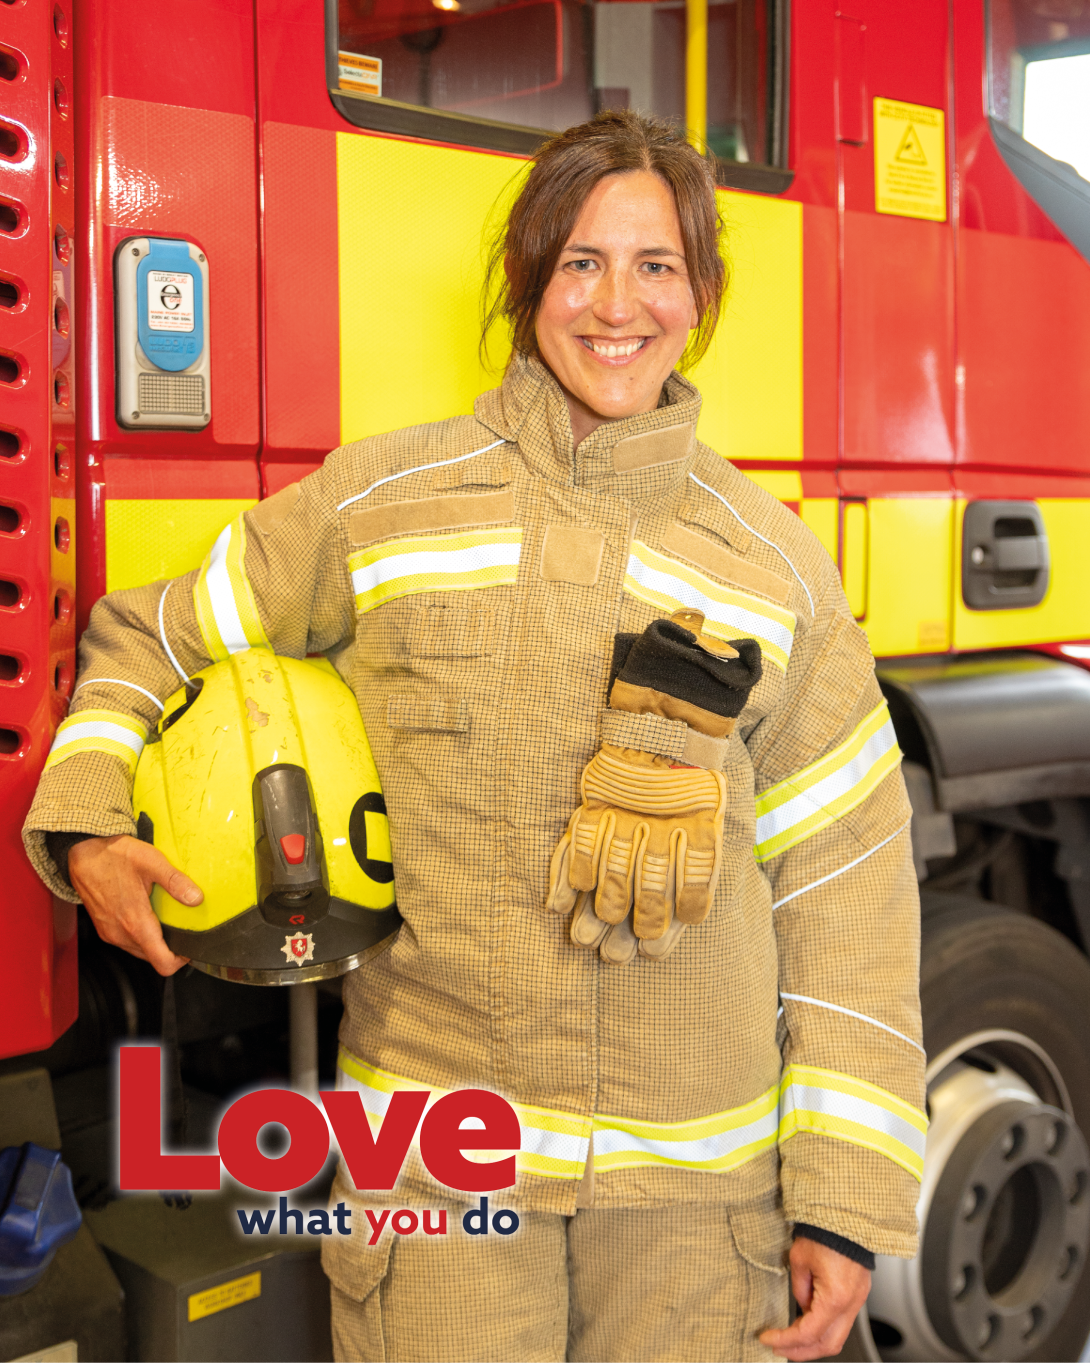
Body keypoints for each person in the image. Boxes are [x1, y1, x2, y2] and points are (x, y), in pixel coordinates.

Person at [25, 111, 925, 1362]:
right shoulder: (383, 503)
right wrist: (89, 827)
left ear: (701, 293)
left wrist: (841, 1196)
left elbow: (850, 892)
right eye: (580, 263)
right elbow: (150, 634)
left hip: (692, 1219)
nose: (619, 304)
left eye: (657, 265)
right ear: (529, 285)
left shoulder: (774, 571)